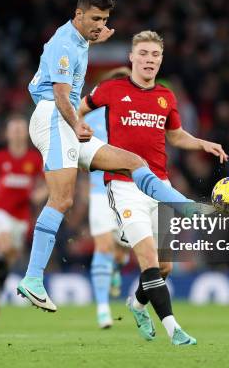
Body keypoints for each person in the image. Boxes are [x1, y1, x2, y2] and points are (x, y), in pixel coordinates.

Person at [18, 0, 212, 313]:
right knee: (62, 198)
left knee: (131, 162)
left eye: (105, 19)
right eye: (94, 19)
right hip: (54, 117)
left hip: (58, 119)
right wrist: (76, 123)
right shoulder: (66, 44)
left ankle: (185, 206)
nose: (100, 24)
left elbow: (75, 55)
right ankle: (33, 279)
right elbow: (62, 94)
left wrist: (94, 37)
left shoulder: (76, 39)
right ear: (77, 15)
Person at [78, 30, 228, 345]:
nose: (149, 60)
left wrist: (202, 143)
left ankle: (136, 304)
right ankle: (174, 329)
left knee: (164, 266)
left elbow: (175, 135)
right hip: (123, 184)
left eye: (155, 55)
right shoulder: (111, 89)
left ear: (160, 60)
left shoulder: (166, 97)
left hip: (160, 185)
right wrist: (78, 125)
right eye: (143, 54)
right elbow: (78, 109)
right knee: (147, 258)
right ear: (132, 58)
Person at [0, 115, 45, 317]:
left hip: (21, 216)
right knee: (4, 247)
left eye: (21, 129)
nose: (17, 132)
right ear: (7, 134)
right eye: (14, 129)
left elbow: (49, 182)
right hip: (0, 210)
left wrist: (40, 194)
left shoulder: (34, 159)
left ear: (27, 133)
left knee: (8, 256)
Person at [84, 67, 132, 329]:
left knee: (122, 249)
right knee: (103, 246)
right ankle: (102, 308)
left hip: (128, 191)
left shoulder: (135, 118)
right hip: (99, 190)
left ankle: (116, 267)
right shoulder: (91, 117)